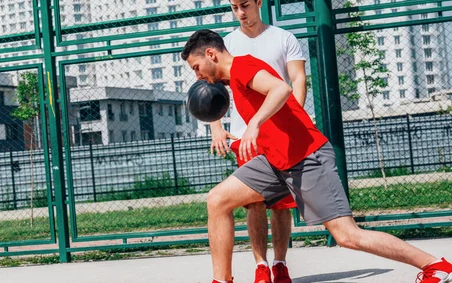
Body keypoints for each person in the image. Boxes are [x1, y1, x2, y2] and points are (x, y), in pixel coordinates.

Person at [181, 29, 452, 283]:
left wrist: (254, 125)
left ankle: (434, 265)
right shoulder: (233, 79)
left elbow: (281, 89)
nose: (197, 75)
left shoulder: (243, 67)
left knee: (347, 235)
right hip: (276, 160)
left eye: (196, 67)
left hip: (306, 156)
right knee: (217, 200)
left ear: (211, 55)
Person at [209, 0, 306, 283]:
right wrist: (216, 127)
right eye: (235, 7)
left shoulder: (283, 38)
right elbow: (214, 90)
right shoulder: (227, 44)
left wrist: (297, 120)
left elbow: (297, 81)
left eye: (245, 6)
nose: (240, 13)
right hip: (244, 137)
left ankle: (279, 263)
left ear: (259, 2)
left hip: (281, 136)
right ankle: (260, 266)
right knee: (253, 203)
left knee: (280, 204)